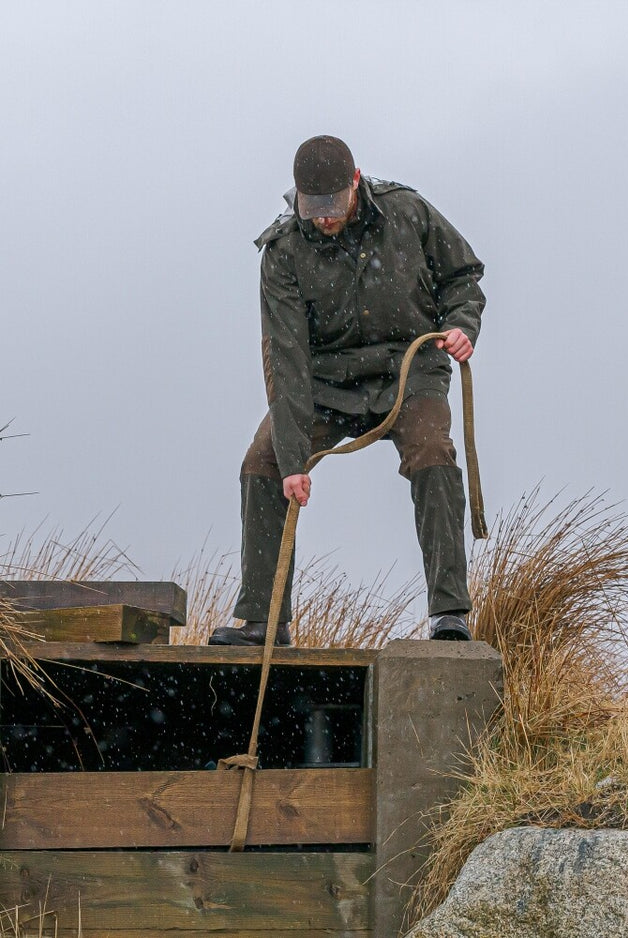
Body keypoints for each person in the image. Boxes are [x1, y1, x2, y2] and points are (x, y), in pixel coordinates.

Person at [208, 135, 485, 647]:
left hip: (409, 369)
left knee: (433, 451)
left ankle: (450, 615)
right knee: (264, 460)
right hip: (326, 383)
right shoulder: (283, 251)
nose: (325, 218)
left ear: (355, 182)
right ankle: (264, 623)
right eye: (314, 208)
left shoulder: (409, 212)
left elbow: (464, 276)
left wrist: (463, 323)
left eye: (333, 205)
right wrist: (294, 462)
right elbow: (286, 360)